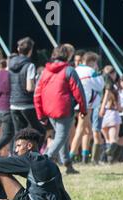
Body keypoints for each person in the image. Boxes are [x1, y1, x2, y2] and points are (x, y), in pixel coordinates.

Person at [34, 45, 86, 174]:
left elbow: (37, 94)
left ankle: (68, 165)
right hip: (64, 109)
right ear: (67, 55)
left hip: (49, 110)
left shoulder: (45, 72)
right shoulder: (69, 70)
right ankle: (43, 160)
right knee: (61, 137)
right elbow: (79, 91)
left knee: (61, 137)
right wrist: (83, 109)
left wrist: (40, 114)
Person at [9, 37, 46, 139]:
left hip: (13, 103)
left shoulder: (10, 64)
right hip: (27, 104)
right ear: (30, 50)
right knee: (40, 132)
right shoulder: (29, 65)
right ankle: (35, 154)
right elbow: (30, 87)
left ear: (18, 49)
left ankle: (15, 154)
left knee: (18, 133)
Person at [71, 52, 105, 164]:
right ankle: (70, 157)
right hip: (86, 105)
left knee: (87, 131)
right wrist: (98, 74)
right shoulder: (90, 71)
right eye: (95, 63)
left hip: (74, 103)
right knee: (80, 130)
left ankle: (85, 157)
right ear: (92, 62)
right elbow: (100, 86)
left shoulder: (75, 70)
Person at [100, 83, 122, 163]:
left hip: (104, 116)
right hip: (113, 115)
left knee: (107, 140)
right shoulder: (116, 92)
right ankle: (110, 159)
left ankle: (108, 160)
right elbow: (119, 107)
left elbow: (103, 103)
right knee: (113, 139)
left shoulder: (102, 92)